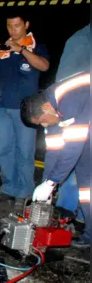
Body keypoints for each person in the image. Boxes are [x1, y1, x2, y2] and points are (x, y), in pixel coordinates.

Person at [0, 13, 50, 206]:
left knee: (25, 151)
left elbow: (44, 66)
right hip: (1, 107)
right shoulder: (3, 49)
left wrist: (22, 50)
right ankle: (8, 188)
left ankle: (25, 191)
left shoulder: (36, 46)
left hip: (26, 109)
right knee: (4, 150)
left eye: (17, 25)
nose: (13, 30)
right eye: (9, 26)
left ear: (26, 24)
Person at [22, 71, 90, 244]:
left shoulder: (68, 100)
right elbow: (54, 152)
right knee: (86, 189)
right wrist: (46, 183)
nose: (45, 126)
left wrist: (52, 182)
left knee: (84, 167)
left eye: (42, 121)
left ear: (46, 108)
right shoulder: (52, 111)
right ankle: (89, 235)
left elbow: (73, 147)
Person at [52, 23, 91, 216]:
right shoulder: (80, 39)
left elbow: (72, 148)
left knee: (78, 169)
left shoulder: (80, 40)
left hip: (79, 112)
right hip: (80, 113)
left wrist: (51, 182)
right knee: (84, 181)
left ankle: (69, 213)